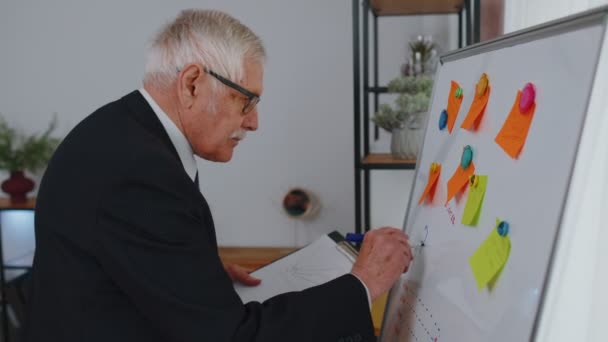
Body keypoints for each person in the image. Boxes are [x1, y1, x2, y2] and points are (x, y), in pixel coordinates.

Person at [23, 9, 413, 342]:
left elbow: (116, 261)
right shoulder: (141, 172)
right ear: (192, 83)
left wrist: (189, 273)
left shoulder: (120, 130)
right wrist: (363, 284)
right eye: (247, 101)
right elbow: (231, 337)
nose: (254, 122)